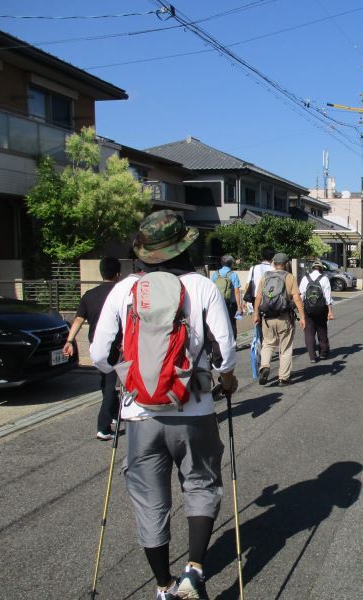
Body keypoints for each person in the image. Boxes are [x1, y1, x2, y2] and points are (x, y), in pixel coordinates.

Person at [90, 210, 238, 600]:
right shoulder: (202, 287)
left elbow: (99, 354)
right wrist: (225, 379)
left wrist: (129, 378)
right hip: (195, 409)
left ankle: (162, 585)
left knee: (150, 500)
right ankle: (194, 571)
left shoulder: (124, 290)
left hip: (140, 414)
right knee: (202, 484)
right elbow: (225, 352)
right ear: (183, 246)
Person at [62, 257, 121, 441]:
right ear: (118, 275)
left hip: (95, 345)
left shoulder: (89, 295)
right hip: (115, 346)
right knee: (111, 386)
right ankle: (103, 427)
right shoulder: (121, 294)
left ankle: (113, 414)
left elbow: (78, 320)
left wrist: (69, 341)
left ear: (101, 273)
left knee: (105, 382)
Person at [252, 252, 306, 386]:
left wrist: (256, 314)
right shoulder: (290, 277)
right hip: (284, 317)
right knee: (285, 348)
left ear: (273, 263)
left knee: (268, 344)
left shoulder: (265, 276)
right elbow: (297, 298)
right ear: (286, 263)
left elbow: (258, 297)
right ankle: (283, 378)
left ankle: (264, 366)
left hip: (267, 318)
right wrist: (302, 317)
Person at [299, 260, 334, 362]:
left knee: (309, 332)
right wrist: (330, 311)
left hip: (307, 309)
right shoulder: (324, 279)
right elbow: (328, 297)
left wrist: (301, 311)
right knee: (322, 330)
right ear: (321, 269)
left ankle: (312, 356)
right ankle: (323, 353)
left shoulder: (305, 278)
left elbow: (301, 295)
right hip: (321, 309)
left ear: (312, 268)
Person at [211, 255, 242, 340]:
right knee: (232, 323)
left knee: (219, 323)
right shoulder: (233, 275)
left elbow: (212, 288)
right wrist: (239, 306)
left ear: (221, 263)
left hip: (218, 303)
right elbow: (236, 291)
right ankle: (233, 342)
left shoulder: (215, 274)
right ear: (231, 264)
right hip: (231, 303)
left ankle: (219, 342)